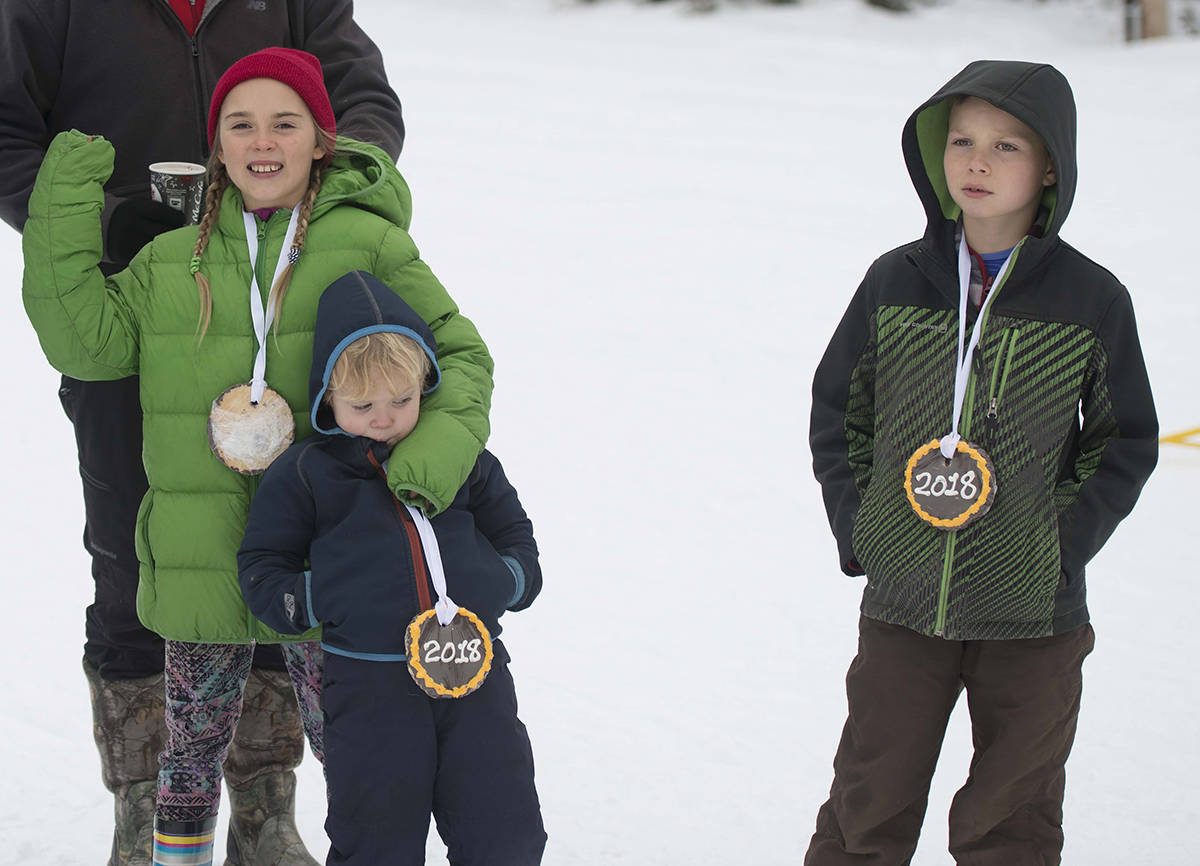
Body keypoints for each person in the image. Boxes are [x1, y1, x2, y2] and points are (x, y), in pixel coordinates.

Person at [21, 47, 493, 866]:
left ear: (321, 140)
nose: (262, 141)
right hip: (200, 557)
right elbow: (87, 342)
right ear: (218, 148)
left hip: (331, 557)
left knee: (349, 743)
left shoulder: (367, 245)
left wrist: (419, 473)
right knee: (189, 755)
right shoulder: (173, 259)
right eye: (240, 124)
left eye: (286, 122)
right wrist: (63, 200)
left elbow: (462, 358)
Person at [804, 60, 1158, 865]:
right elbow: (839, 412)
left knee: (1012, 820)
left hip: (1034, 619)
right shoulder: (896, 282)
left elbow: (1123, 439)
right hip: (905, 610)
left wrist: (1056, 549)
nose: (977, 161)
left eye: (1006, 146)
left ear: (1049, 170)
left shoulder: (1091, 299)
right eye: (962, 140)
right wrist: (865, 526)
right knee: (868, 805)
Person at [239, 272, 547, 865]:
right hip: (369, 687)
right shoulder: (308, 473)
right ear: (327, 397)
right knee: (376, 840)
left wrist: (508, 579)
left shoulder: (461, 459)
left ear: (424, 385)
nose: (384, 418)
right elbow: (262, 564)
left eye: (402, 401)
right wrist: (316, 597)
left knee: (504, 833)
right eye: (362, 406)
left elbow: (515, 532)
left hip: (474, 672)